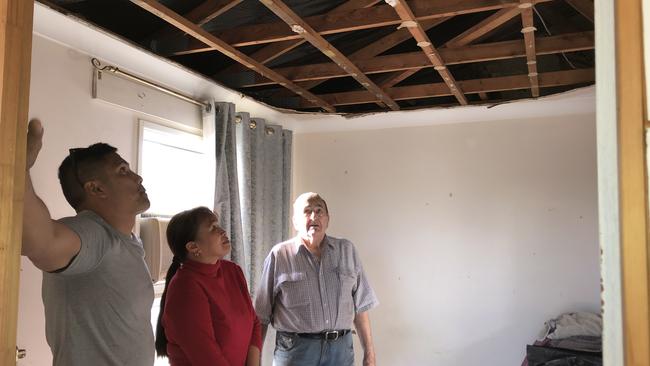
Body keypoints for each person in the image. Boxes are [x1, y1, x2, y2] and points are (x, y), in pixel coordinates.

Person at [21, 119, 155, 365]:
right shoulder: (93, 233)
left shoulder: (126, 241)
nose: (138, 177)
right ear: (96, 189)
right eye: (123, 171)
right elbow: (40, 243)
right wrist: (19, 167)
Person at [254, 192, 379, 366]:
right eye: (307, 211)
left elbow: (361, 306)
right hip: (296, 352)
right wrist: (254, 360)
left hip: (341, 352)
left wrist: (369, 354)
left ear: (327, 219)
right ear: (295, 221)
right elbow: (261, 315)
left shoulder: (347, 250)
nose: (314, 216)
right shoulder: (279, 255)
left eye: (319, 210)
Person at [155, 206, 262, 366]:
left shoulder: (233, 270)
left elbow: (254, 323)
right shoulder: (184, 287)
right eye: (213, 228)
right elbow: (207, 357)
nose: (222, 231)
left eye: (218, 225)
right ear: (193, 247)